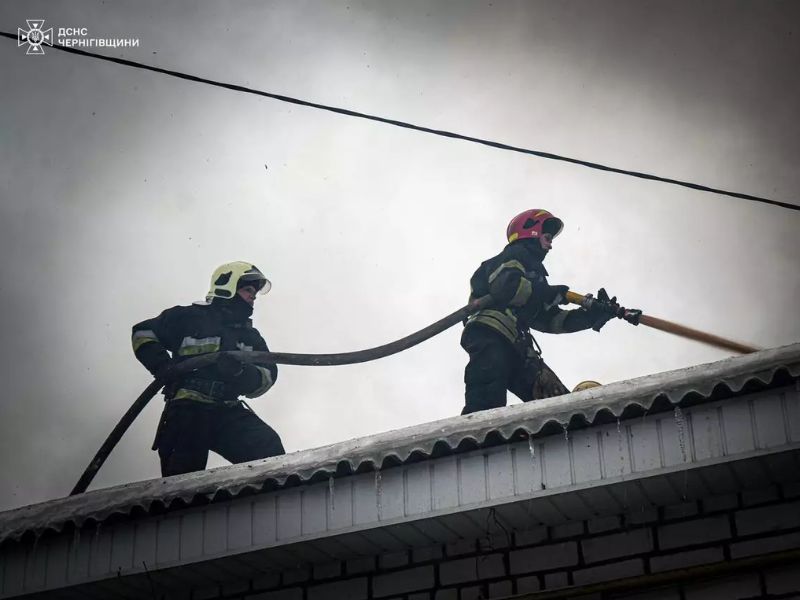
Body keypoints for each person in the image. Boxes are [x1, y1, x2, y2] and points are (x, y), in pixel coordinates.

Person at [461, 209, 638, 414]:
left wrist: (590, 316)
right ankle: (478, 438)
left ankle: (578, 425)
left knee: (555, 401)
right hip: (490, 333)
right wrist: (550, 293)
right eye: (547, 237)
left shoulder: (535, 277)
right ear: (531, 232)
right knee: (486, 400)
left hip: (517, 345)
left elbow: (552, 320)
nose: (551, 244)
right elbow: (507, 288)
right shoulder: (513, 255)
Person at [131, 261, 285, 476]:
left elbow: (267, 377)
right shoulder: (186, 317)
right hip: (186, 410)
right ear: (227, 286)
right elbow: (142, 333)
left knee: (268, 450)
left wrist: (240, 374)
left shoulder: (250, 336)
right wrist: (161, 366)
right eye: (248, 289)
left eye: (255, 293)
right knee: (180, 484)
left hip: (226, 409)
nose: (253, 296)